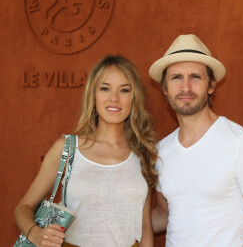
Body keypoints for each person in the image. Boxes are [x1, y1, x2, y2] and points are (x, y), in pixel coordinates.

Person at [149, 34, 243, 246]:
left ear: (211, 85)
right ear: (164, 88)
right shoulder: (161, 151)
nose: (185, 87)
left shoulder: (241, 144)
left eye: (195, 77)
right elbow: (165, 216)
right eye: (176, 77)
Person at [15, 55, 158, 247]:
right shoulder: (67, 148)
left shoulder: (143, 154)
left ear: (135, 98)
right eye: (105, 88)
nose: (114, 98)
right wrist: (36, 234)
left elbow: (145, 227)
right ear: (93, 94)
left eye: (124, 90)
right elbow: (23, 208)